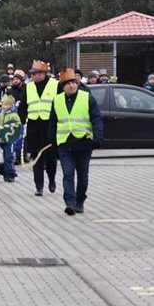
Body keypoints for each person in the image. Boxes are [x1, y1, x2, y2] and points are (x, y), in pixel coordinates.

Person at [49, 68, 103, 215]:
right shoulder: (57, 100)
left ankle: (80, 201)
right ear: (63, 86)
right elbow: (53, 122)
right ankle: (70, 202)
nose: (71, 86)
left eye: (73, 82)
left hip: (84, 143)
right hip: (65, 144)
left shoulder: (87, 98)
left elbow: (96, 119)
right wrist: (52, 141)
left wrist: (97, 138)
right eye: (68, 84)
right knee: (67, 174)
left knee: (83, 176)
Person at [20, 60, 59, 196]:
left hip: (49, 125)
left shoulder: (55, 85)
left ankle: (52, 179)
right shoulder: (29, 87)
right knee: (36, 158)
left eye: (35, 74)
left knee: (50, 158)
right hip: (34, 126)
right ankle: (39, 186)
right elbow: (23, 106)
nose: (33, 76)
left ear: (43, 74)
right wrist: (23, 118)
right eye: (32, 74)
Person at [0, 95, 21, 182]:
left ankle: (10, 174)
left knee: (8, 157)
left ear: (11, 105)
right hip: (0, 140)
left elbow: (18, 127)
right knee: (0, 159)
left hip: (9, 140)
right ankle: (3, 172)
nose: (3, 106)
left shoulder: (14, 116)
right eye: (3, 104)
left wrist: (16, 138)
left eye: (6, 104)